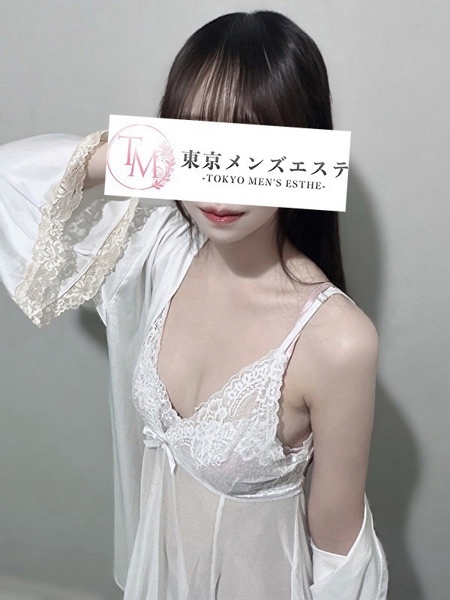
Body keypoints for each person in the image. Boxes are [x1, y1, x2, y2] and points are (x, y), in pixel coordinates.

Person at [0, 10, 388, 600]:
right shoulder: (160, 252)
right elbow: (11, 182)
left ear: (302, 152)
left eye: (250, 148)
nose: (221, 185)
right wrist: (160, 156)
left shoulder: (336, 340)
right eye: (202, 144)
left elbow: (340, 560)